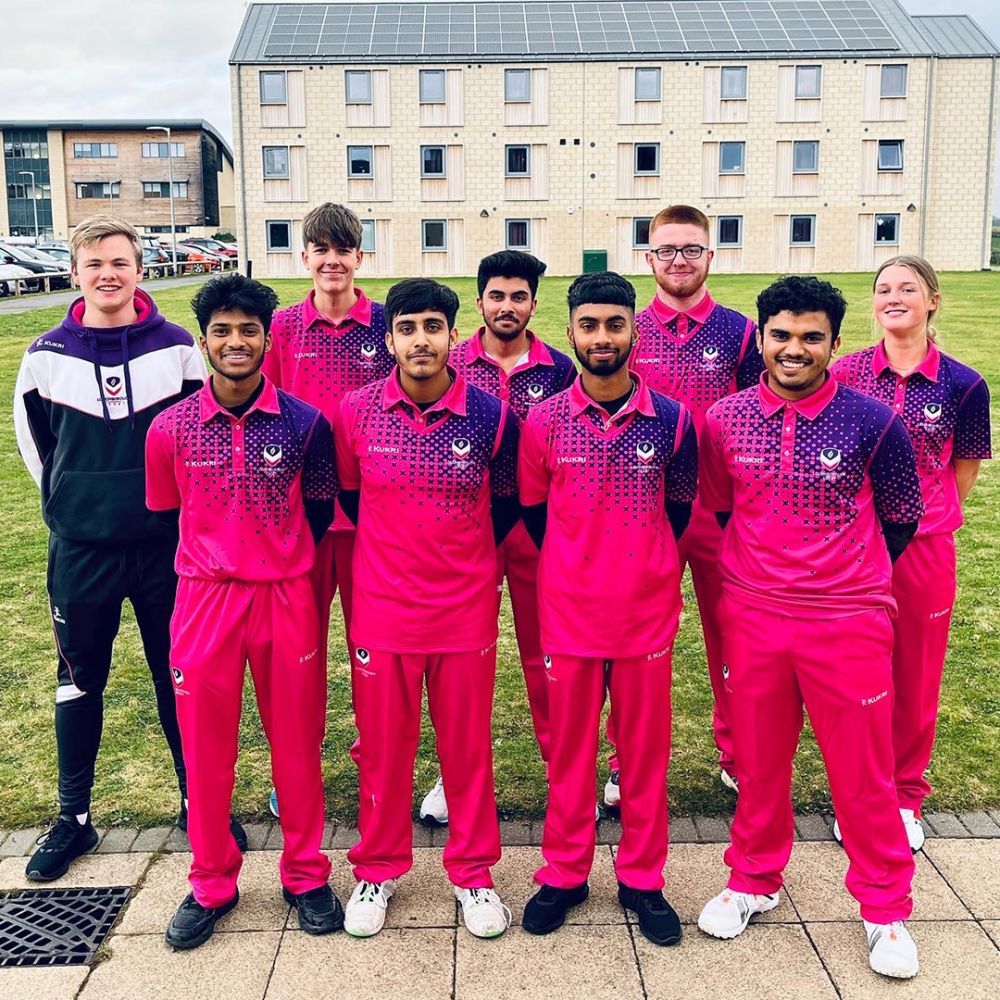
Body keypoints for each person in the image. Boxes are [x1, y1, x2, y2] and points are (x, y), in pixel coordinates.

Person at [696, 275, 923, 980]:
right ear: (761, 337)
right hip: (755, 615)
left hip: (847, 620)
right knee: (760, 764)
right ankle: (753, 879)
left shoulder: (871, 419)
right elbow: (724, 506)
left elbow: (901, 515)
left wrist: (839, 576)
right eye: (781, 336)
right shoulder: (724, 418)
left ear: (832, 343)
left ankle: (885, 907)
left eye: (811, 338)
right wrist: (769, 573)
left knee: (862, 774)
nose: (794, 350)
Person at [13, 215, 245, 882]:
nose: (107, 274)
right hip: (81, 549)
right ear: (76, 272)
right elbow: (37, 451)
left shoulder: (176, 347)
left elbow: (202, 440)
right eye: (94, 264)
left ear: (140, 270)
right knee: (79, 680)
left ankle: (196, 804)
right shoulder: (44, 355)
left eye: (119, 261)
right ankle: (73, 820)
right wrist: (79, 504)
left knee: (182, 678)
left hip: (164, 550)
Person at [146, 273, 341, 949]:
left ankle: (307, 874)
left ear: (266, 339)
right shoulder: (169, 428)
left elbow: (318, 511)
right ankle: (210, 881)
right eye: (222, 331)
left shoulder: (305, 423)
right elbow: (168, 514)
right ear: (204, 342)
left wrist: (275, 558)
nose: (236, 342)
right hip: (204, 601)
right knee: (206, 752)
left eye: (248, 330)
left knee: (295, 744)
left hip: (285, 597)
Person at [335, 278, 518, 940]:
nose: (420, 340)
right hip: (383, 610)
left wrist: (458, 560)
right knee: (384, 750)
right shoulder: (354, 413)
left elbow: (504, 504)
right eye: (407, 328)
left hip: (464, 609)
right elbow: (353, 502)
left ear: (452, 334)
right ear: (389, 339)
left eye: (432, 327)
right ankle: (378, 868)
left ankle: (473, 873)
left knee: (465, 749)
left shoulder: (493, 416)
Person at [518, 272, 697, 946]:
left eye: (614, 325)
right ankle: (564, 873)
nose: (602, 337)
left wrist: (638, 565)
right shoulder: (542, 420)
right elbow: (534, 515)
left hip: (645, 616)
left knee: (645, 756)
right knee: (570, 754)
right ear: (571, 332)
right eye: (589, 325)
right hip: (567, 615)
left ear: (634, 331)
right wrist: (580, 565)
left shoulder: (675, 421)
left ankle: (642, 879)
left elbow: (679, 511)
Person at [831, 256, 991, 851]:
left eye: (907, 288)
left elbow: (964, 469)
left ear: (933, 301)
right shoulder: (844, 372)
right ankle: (858, 796)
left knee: (916, 678)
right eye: (882, 289)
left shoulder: (963, 382)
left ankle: (902, 796)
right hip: (853, 547)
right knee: (855, 680)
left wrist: (922, 517)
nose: (893, 296)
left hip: (924, 553)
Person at [606, 204, 763, 807]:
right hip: (642, 511)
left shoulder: (743, 332)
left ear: (709, 257)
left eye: (691, 250)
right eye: (667, 250)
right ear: (648, 259)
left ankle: (740, 754)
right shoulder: (624, 328)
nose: (679, 260)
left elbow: (758, 416)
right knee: (636, 641)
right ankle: (626, 762)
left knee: (736, 639)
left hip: (724, 510)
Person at [417, 249, 575, 825]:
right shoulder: (446, 360)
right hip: (463, 538)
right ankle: (450, 773)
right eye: (497, 295)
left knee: (545, 659)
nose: (507, 306)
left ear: (534, 303)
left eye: (519, 296)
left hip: (536, 535)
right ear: (479, 300)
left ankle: (565, 775)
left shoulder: (560, 369)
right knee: (457, 665)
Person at [262, 202, 393, 818]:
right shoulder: (282, 328)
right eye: (321, 249)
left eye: (343, 250)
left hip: (374, 521)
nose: (332, 260)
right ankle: (296, 768)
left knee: (375, 653)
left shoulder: (389, 324)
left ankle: (378, 763)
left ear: (358, 257)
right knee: (298, 655)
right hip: (302, 521)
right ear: (305, 257)